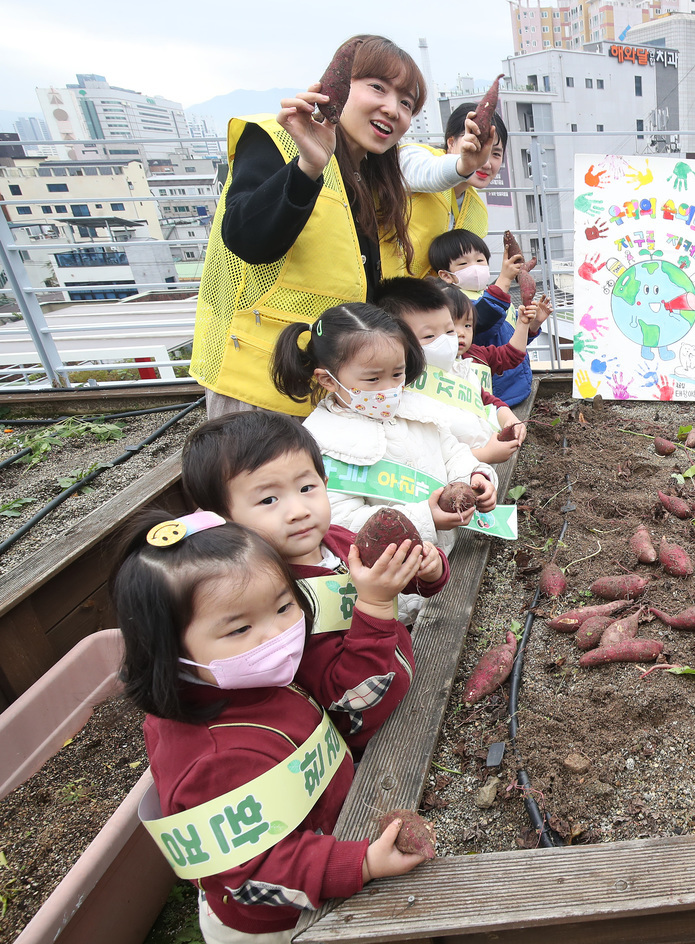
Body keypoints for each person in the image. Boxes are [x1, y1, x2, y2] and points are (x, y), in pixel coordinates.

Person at [114, 511, 425, 942]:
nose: (278, 633)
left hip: (323, 839)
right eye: (240, 628)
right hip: (279, 921)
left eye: (283, 606)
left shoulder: (251, 680)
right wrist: (363, 865)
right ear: (167, 650)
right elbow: (255, 873)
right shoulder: (216, 760)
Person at [189, 35, 491, 419]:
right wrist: (307, 168)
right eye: (378, 87)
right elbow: (247, 239)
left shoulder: (376, 173)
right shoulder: (281, 140)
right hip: (262, 385)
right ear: (339, 87)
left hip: (342, 383)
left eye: (406, 102)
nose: (392, 108)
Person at [181, 412, 449, 754]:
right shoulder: (267, 598)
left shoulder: (337, 540)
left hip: (403, 688)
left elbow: (413, 583)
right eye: (268, 500)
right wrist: (376, 605)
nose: (298, 510)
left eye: (307, 487)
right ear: (222, 518)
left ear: (324, 481)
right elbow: (347, 696)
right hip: (365, 737)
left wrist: (427, 569)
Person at [270, 301, 497, 559]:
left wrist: (475, 478)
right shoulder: (319, 443)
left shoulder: (418, 409)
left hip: (450, 554)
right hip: (394, 576)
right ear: (327, 380)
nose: (389, 388)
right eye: (373, 378)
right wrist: (425, 519)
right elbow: (342, 522)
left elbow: (454, 453)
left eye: (397, 374)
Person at [375, 276, 533, 464]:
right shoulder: (400, 394)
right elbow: (425, 458)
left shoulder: (460, 367)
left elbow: (484, 399)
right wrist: (484, 455)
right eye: (429, 335)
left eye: (449, 331)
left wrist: (508, 419)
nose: (448, 340)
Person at [381, 101, 509, 278]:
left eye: (495, 154)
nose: (484, 162)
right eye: (476, 147)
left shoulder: (477, 212)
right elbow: (427, 171)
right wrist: (463, 166)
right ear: (450, 142)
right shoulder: (414, 159)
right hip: (386, 291)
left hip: (430, 300)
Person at [429, 229, 536, 407]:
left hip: (518, 384)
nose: (475, 267)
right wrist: (504, 279)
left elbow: (512, 334)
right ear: (446, 276)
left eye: (480, 260)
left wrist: (533, 323)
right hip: (495, 394)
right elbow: (484, 320)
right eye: (464, 263)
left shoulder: (494, 296)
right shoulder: (455, 304)